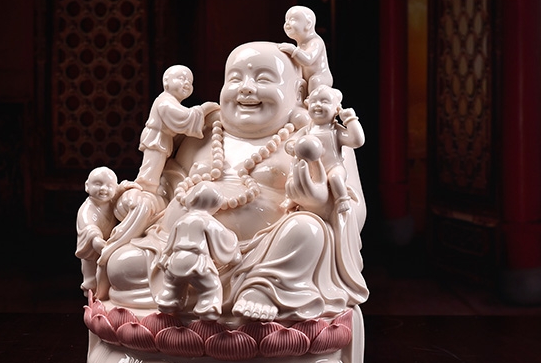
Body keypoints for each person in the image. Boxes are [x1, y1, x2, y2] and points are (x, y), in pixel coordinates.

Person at [104, 41, 368, 322]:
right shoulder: (201, 135)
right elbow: (164, 191)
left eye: (263, 79)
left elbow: (354, 212)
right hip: (177, 250)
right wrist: (136, 201)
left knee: (309, 230)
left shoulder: (318, 138)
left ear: (299, 92)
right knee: (121, 265)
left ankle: (262, 289)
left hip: (265, 257)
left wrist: (320, 203)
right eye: (235, 78)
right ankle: (189, 291)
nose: (246, 88)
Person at [155, 181, 241, 320]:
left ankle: (168, 301)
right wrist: (234, 247)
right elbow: (223, 237)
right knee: (211, 287)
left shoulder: (180, 221)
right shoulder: (208, 221)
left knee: (172, 285)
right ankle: (208, 308)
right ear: (215, 204)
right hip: (197, 261)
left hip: (176, 260)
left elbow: (170, 245)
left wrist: (164, 259)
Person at [136, 65, 220, 194]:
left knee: (156, 166)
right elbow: (182, 117)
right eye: (181, 78)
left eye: (190, 82)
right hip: (156, 138)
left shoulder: (171, 101)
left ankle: (150, 188)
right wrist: (203, 109)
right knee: (152, 167)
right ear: (166, 82)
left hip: (162, 139)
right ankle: (145, 190)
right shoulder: (164, 101)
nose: (186, 83)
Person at [288, 85, 365, 214]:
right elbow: (293, 141)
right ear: (307, 105)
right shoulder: (307, 130)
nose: (318, 105)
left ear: (337, 108)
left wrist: (350, 119)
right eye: (313, 102)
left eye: (324, 102)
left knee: (335, 177)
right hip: (312, 171)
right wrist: (291, 146)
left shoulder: (335, 131)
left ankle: (342, 200)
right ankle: (293, 201)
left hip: (333, 166)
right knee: (299, 181)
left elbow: (357, 141)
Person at [75, 167, 120, 295]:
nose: (104, 189)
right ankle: (92, 295)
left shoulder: (113, 203)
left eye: (110, 186)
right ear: (87, 186)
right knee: (92, 278)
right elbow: (89, 228)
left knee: (109, 276)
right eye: (98, 184)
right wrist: (95, 239)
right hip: (92, 249)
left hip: (108, 246)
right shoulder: (86, 209)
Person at [278, 5, 333, 94]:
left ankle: (312, 100)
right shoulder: (302, 43)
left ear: (308, 24)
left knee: (315, 81)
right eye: (286, 20)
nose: (287, 23)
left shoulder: (315, 42)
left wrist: (293, 50)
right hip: (307, 78)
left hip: (321, 77)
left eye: (292, 20)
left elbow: (308, 60)